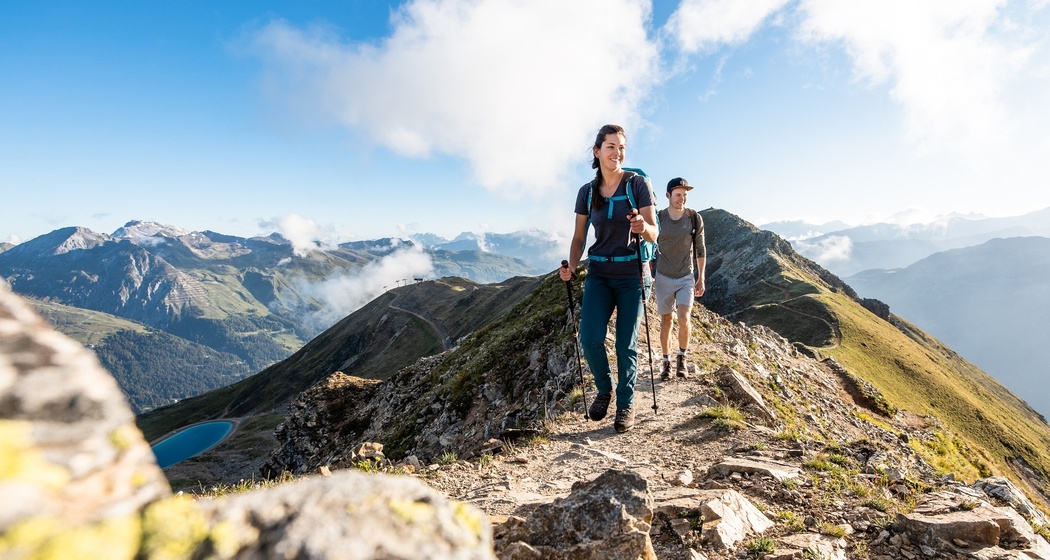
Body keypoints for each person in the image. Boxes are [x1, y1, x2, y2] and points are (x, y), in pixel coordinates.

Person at [560, 124, 658, 433]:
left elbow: (655, 231)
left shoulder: (637, 184)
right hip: (600, 273)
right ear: (597, 151)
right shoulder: (587, 193)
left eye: (621, 147)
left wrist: (643, 227)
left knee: (625, 344)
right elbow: (578, 238)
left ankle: (625, 404)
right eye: (611, 146)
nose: (617, 152)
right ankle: (605, 389)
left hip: (632, 273)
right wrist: (572, 267)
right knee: (589, 338)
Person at [653, 177, 706, 380]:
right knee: (666, 321)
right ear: (668, 195)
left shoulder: (694, 218)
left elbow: (701, 249)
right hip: (664, 277)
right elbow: (649, 246)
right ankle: (665, 362)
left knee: (684, 318)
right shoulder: (659, 219)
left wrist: (701, 278)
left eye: (684, 195)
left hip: (686, 276)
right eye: (678, 195)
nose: (682, 199)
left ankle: (682, 358)